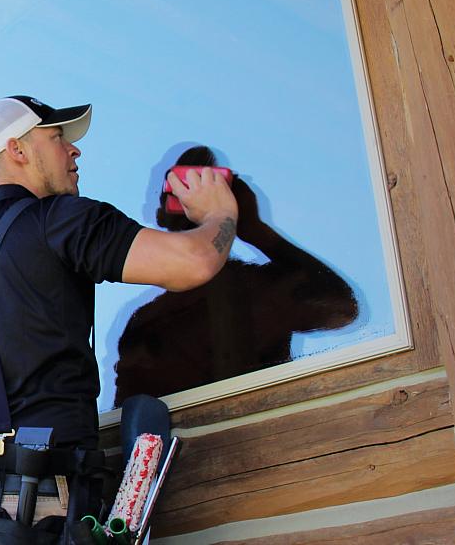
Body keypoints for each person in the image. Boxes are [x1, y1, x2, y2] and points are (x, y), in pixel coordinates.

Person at [0, 95, 238, 536]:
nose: (74, 150)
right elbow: (196, 262)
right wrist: (221, 213)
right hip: (39, 510)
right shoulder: (63, 221)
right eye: (57, 138)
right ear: (17, 150)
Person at [113, 145, 357, 404]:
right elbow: (128, 415)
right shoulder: (149, 321)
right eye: (185, 185)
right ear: (164, 209)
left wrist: (254, 229)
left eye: (214, 185)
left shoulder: (258, 288)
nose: (197, 194)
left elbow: (340, 309)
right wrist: (246, 227)